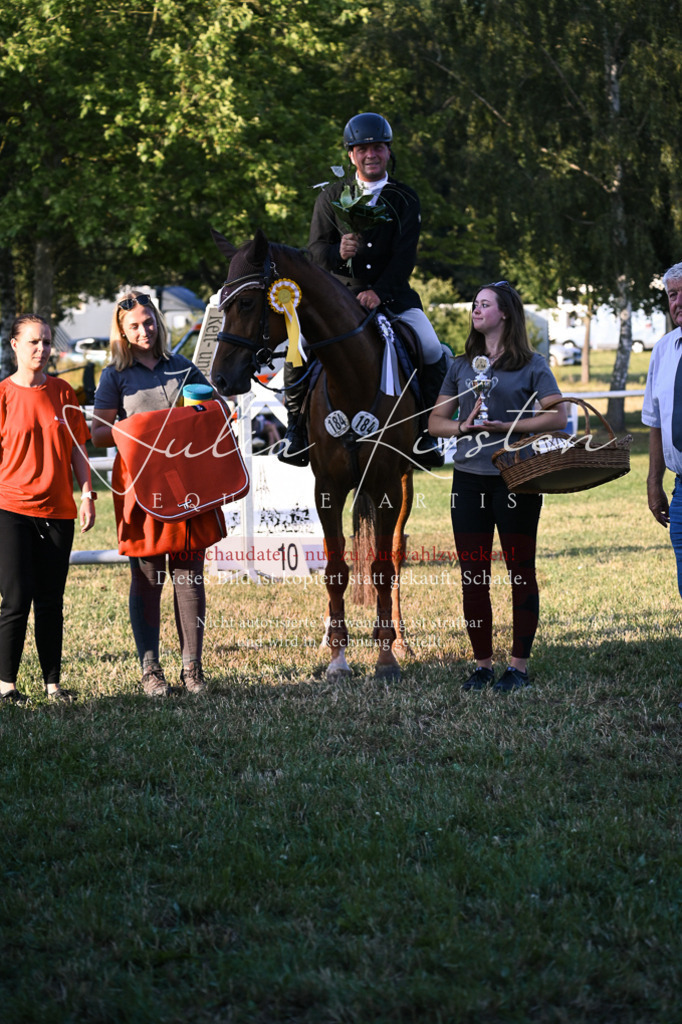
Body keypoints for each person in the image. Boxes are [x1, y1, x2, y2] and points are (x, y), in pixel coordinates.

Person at [279, 111, 446, 467]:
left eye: (378, 147)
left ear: (388, 152)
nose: (371, 154)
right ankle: (295, 432)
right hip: (338, 300)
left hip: (393, 296)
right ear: (351, 154)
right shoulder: (330, 196)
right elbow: (314, 253)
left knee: (432, 348)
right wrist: (338, 254)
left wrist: (380, 292)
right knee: (299, 348)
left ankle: (426, 433)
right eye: (363, 148)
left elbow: (405, 257)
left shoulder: (405, 198)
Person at [428, 282, 566, 692]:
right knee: (473, 576)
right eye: (474, 304)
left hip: (517, 479)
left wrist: (508, 427)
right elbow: (435, 423)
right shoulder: (460, 365)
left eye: (484, 304)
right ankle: (483, 665)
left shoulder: (533, 364)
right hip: (467, 481)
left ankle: (518, 668)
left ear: (505, 313)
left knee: (520, 572)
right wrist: (462, 427)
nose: (476, 309)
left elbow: (557, 417)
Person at [92, 293, 216, 697]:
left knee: (189, 574)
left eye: (149, 322)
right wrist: (145, 427)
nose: (144, 331)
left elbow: (212, 417)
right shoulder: (114, 376)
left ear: (159, 323)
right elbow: (96, 433)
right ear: (122, 333)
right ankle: (151, 672)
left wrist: (207, 410)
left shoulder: (184, 368)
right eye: (134, 326)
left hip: (186, 486)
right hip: (140, 487)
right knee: (147, 578)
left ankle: (193, 671)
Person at [0, 314, 95, 703]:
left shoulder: (63, 392)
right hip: (11, 508)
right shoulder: (2, 395)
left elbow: (78, 447)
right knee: (17, 599)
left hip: (58, 511)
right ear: (14, 346)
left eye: (46, 342)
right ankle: (6, 687)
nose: (41, 349)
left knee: (51, 601)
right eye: (33, 342)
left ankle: (53, 685)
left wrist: (87, 493)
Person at [642, 263, 682, 706]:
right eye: (672, 295)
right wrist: (655, 483)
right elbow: (653, 421)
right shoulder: (665, 348)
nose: (678, 302)